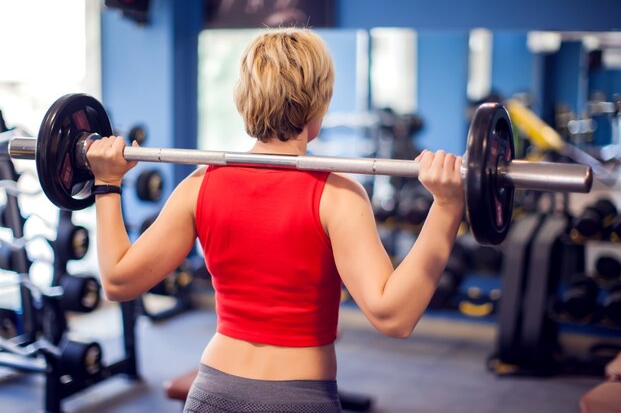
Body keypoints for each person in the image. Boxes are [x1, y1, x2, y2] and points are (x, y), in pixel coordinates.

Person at [86, 28, 465, 413]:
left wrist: (107, 182)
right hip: (296, 399)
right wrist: (447, 209)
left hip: (212, 393)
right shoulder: (339, 196)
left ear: (243, 100)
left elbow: (118, 281)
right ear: (319, 107)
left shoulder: (199, 184)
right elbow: (394, 316)